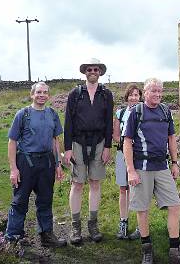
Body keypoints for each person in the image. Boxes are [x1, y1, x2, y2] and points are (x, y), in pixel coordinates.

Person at [123, 78, 180, 264]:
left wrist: (174, 162)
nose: (157, 94)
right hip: (142, 168)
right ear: (145, 92)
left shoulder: (165, 111)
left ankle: (174, 252)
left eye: (160, 91)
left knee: (175, 206)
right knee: (142, 209)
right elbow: (127, 143)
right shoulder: (135, 112)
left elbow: (172, 138)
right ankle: (147, 250)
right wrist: (130, 170)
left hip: (162, 167)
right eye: (153, 91)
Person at [5, 82, 67, 247]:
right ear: (32, 94)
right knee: (20, 201)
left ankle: (46, 236)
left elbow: (55, 140)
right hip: (26, 162)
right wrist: (13, 169)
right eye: (38, 92)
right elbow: (12, 142)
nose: (42, 95)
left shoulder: (52, 114)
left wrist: (58, 164)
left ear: (49, 95)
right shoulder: (22, 114)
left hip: (46, 162)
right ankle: (13, 238)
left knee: (45, 200)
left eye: (45, 92)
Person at [63, 58, 113, 244]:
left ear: (100, 72)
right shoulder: (75, 94)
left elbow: (108, 122)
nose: (93, 71)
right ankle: (75, 226)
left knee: (95, 183)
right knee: (77, 184)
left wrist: (107, 146)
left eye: (96, 69)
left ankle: (93, 223)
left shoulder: (106, 95)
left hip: (99, 142)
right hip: (77, 142)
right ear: (85, 72)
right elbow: (68, 122)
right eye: (90, 69)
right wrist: (67, 149)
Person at [112, 83, 142, 240]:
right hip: (121, 154)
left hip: (138, 155)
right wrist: (126, 144)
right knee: (123, 189)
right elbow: (115, 135)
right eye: (131, 95)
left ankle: (140, 225)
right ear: (127, 97)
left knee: (137, 190)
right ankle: (123, 222)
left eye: (136, 95)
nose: (133, 98)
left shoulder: (144, 112)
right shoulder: (120, 113)